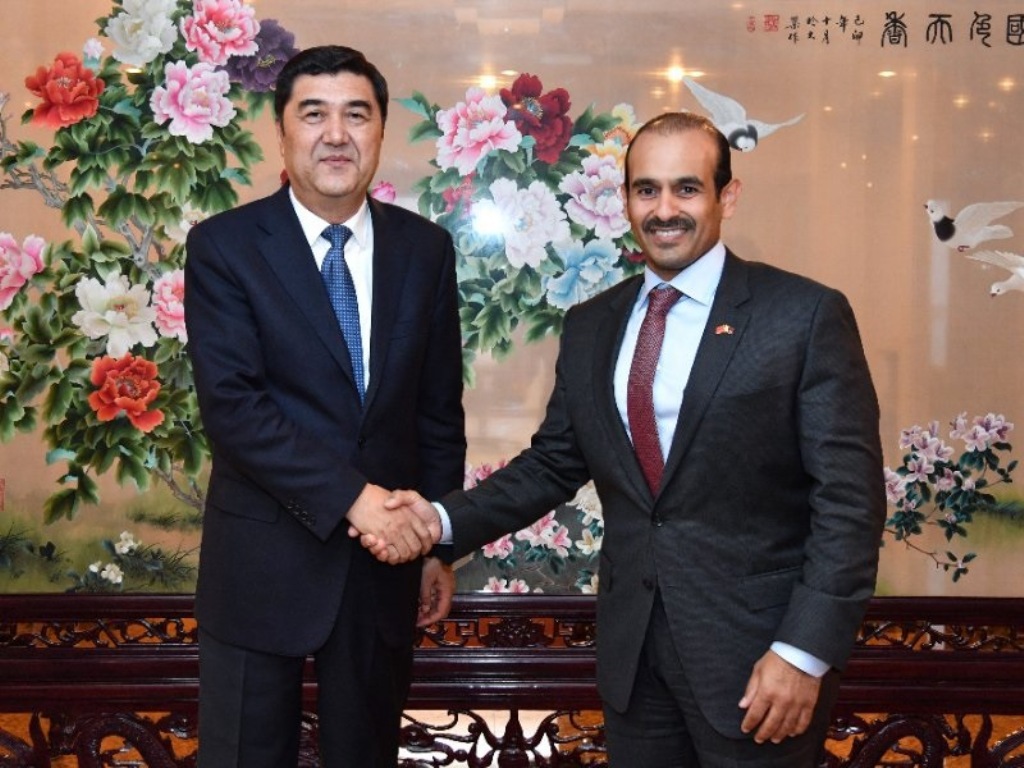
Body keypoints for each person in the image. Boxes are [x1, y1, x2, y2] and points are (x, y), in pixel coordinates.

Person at [370, 111, 886, 767]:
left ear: (727, 195)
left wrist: (803, 652)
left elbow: (850, 505)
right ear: (625, 200)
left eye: (686, 188)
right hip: (633, 660)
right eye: (646, 190)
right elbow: (553, 465)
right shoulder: (593, 325)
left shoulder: (803, 317)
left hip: (760, 663)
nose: (664, 209)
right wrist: (437, 521)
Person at [183, 45, 465, 768]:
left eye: (356, 115)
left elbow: (436, 409)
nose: (336, 134)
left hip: (384, 574)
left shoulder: (425, 250)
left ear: (379, 132)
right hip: (260, 570)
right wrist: (356, 500)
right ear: (282, 131)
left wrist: (436, 541)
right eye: (314, 114)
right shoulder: (225, 247)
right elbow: (235, 410)